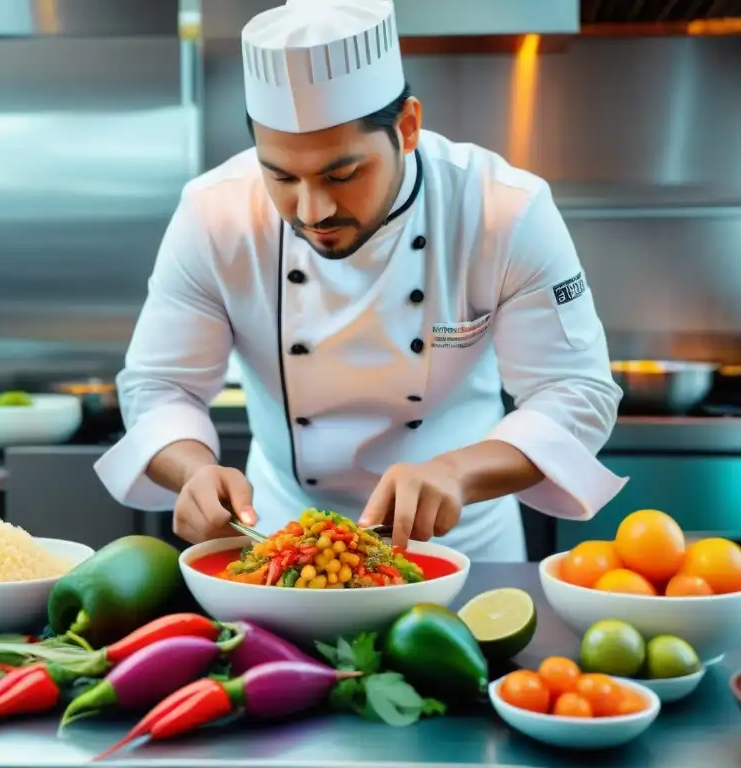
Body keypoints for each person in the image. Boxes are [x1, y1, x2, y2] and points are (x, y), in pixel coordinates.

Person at [95, 0, 627, 561]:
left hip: (459, 545)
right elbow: (160, 386)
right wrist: (194, 469)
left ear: (408, 127)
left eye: (342, 174)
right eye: (280, 175)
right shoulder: (214, 215)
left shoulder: (502, 210)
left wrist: (460, 472)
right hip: (280, 543)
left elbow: (575, 391)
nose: (312, 209)